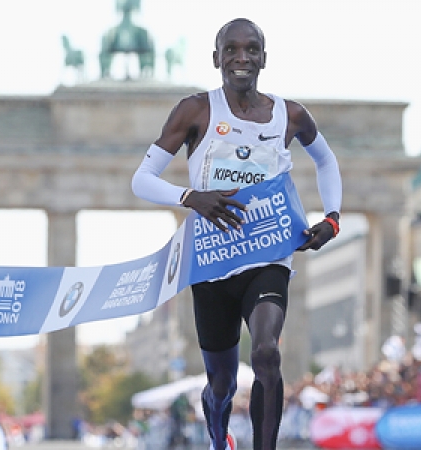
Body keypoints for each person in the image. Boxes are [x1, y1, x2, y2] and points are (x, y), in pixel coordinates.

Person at [131, 18, 342, 450]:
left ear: (264, 58)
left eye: (251, 50)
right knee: (222, 383)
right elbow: (142, 179)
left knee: (266, 353)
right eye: (231, 50)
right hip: (212, 261)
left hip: (268, 255)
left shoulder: (291, 114)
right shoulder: (195, 110)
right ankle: (217, 436)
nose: (241, 58)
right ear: (217, 59)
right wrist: (192, 197)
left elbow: (326, 161)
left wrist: (332, 217)